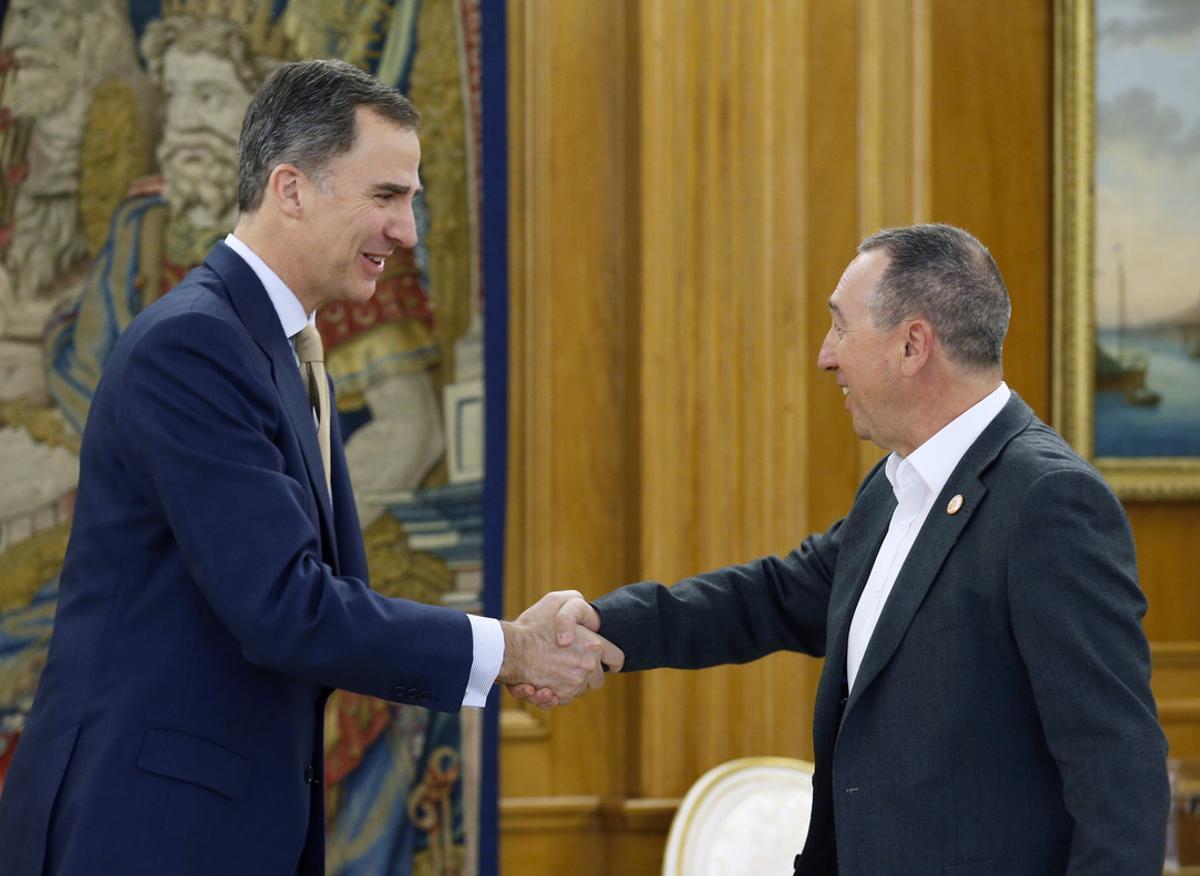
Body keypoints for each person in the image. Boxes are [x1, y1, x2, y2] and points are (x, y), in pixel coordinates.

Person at [0, 58, 621, 876]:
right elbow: (284, 607)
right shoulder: (194, 346)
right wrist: (508, 648)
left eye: (414, 200)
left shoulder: (277, 347)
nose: (409, 232)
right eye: (387, 196)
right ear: (290, 189)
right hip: (142, 830)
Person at [519, 224, 1170, 874]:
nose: (826, 355)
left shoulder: (1047, 501)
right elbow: (773, 598)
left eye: (839, 327)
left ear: (913, 344)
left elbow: (1119, 774)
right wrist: (599, 626)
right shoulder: (895, 488)